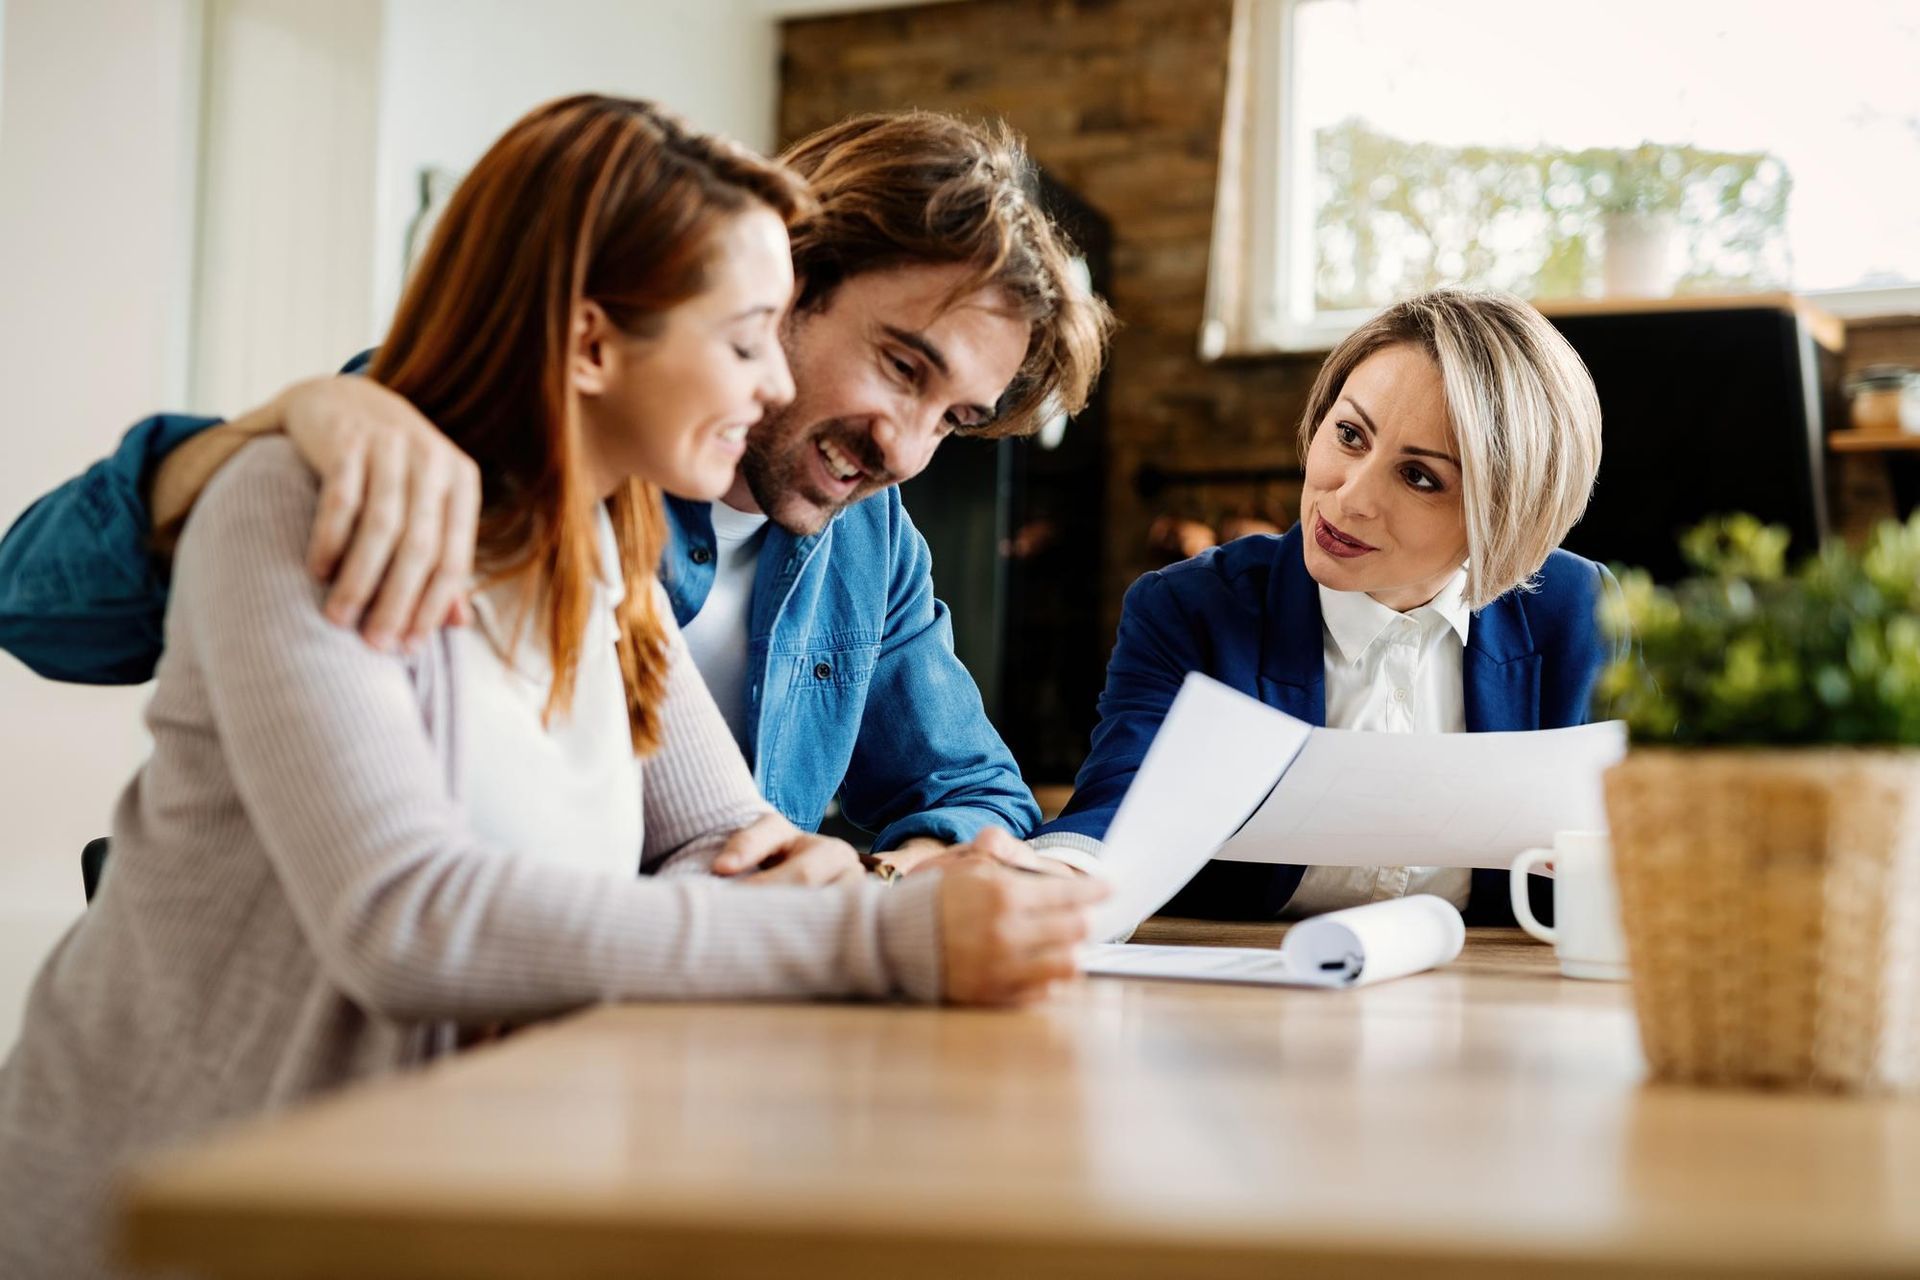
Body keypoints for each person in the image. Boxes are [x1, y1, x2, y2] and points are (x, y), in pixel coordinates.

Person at [0, 96, 1105, 1280]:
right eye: (746, 337)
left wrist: (845, 880)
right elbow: (408, 919)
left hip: (449, 1164)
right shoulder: (346, 480)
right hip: (169, 1200)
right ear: (592, 342)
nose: (907, 453)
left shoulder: (611, 541)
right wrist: (882, 932)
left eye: (958, 419)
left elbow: (722, 834)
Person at [0, 110, 1115, 877]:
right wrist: (266, 434)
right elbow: (43, 610)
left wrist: (869, 879)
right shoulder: (474, 446)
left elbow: (970, 794)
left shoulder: (872, 543)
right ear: (789, 280)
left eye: (955, 422)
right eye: (902, 369)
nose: (907, 452)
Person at [1030, 288, 1611, 925]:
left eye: (1419, 476)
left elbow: (1644, 836)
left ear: (1504, 515)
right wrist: (1048, 885)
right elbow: (1120, 803)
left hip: (1502, 998)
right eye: (1350, 434)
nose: (1349, 498)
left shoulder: (1580, 614)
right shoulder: (1188, 609)